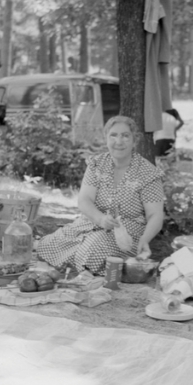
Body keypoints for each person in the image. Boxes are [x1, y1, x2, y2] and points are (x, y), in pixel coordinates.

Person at [37, 116, 165, 275]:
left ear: (134, 141)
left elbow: (155, 215)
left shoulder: (148, 173)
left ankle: (84, 267)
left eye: (125, 136)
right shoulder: (97, 164)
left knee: (93, 250)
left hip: (127, 235)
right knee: (48, 245)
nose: (119, 141)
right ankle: (83, 266)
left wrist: (145, 239)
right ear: (106, 138)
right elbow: (84, 200)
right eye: (113, 135)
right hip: (90, 224)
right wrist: (100, 219)